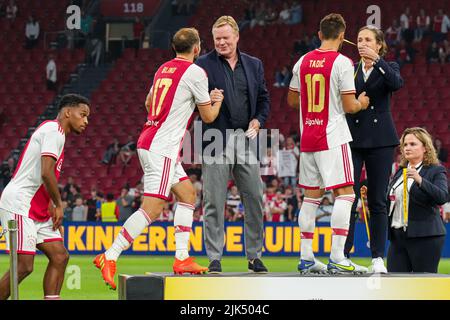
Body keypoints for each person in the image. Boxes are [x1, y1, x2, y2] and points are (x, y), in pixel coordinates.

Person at [94, 27, 224, 290]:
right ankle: (110, 255)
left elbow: (148, 102)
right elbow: (209, 117)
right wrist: (216, 100)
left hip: (151, 140)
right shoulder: (196, 72)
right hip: (162, 147)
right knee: (153, 208)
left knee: (188, 195)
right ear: (197, 48)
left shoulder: (163, 69)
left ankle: (181, 258)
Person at [287, 13, 370, 274]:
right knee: (346, 194)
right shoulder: (343, 63)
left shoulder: (302, 61)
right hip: (332, 137)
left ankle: (306, 258)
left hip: (308, 138)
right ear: (343, 37)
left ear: (320, 34)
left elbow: (291, 101)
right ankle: (337, 257)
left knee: (311, 199)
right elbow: (349, 105)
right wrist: (363, 103)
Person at [195, 16, 270, 274]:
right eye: (217, 39)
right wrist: (206, 99)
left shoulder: (254, 64)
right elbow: (192, 101)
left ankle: (254, 256)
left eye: (226, 38)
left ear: (237, 37)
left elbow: (263, 99)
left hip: (247, 138)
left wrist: (259, 121)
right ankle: (214, 257)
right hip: (214, 138)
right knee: (214, 201)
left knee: (255, 198)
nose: (222, 43)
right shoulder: (201, 64)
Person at [0, 94, 90, 300]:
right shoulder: (53, 130)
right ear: (68, 112)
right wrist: (59, 204)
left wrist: (49, 202)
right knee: (24, 266)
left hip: (36, 207)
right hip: (19, 203)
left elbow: (43, 177)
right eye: (82, 114)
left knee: (60, 256)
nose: (86, 121)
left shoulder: (57, 135)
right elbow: (46, 172)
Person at [344, 25, 404, 273]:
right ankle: (342, 254)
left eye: (368, 40)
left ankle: (378, 257)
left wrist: (377, 60)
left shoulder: (389, 67)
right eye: (359, 39)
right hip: (353, 139)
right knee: (347, 198)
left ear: (379, 44)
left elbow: (396, 82)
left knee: (378, 201)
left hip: (380, 140)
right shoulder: (350, 68)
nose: (362, 43)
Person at [386, 127, 448, 273]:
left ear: (425, 148)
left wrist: (420, 180)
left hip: (425, 236)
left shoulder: (435, 170)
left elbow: (442, 197)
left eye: (413, 144)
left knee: (423, 287)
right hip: (397, 236)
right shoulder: (400, 171)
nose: (407, 148)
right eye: (405, 145)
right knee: (395, 285)